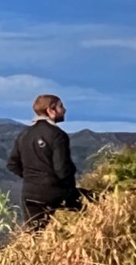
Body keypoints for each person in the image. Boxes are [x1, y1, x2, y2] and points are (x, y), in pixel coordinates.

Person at [6, 94, 86, 231]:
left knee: (35, 234)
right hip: (55, 192)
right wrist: (69, 189)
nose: (64, 110)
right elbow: (62, 170)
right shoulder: (57, 135)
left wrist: (32, 178)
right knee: (95, 205)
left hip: (30, 193)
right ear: (50, 110)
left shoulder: (24, 134)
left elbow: (12, 164)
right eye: (61, 106)